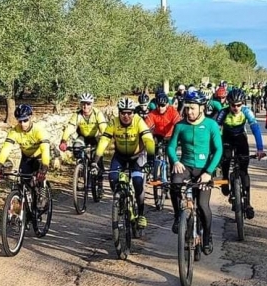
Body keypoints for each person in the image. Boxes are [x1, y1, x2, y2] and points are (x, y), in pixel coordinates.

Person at [167, 90, 223, 255]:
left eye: (192, 108)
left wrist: (208, 172)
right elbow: (170, 147)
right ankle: (178, 216)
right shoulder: (180, 125)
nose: (189, 112)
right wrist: (175, 161)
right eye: (187, 108)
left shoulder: (211, 125)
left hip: (204, 169)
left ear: (202, 108)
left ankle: (207, 237)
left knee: (203, 206)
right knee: (175, 183)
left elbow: (218, 150)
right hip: (185, 166)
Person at [94, 97, 155, 229]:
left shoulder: (139, 121)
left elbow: (149, 140)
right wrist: (95, 162)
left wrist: (150, 160)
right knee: (112, 178)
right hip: (120, 156)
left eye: (129, 113)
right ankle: (120, 200)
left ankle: (141, 214)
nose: (126, 116)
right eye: (123, 113)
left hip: (137, 157)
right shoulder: (114, 123)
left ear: (133, 113)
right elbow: (104, 141)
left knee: (138, 182)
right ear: (119, 113)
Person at [216, 88, 265, 219]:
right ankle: (225, 179)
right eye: (233, 105)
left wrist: (260, 148)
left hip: (240, 139)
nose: (236, 107)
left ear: (242, 103)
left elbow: (255, 128)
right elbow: (214, 131)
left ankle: (248, 203)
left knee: (244, 171)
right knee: (225, 159)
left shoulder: (246, 111)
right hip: (226, 139)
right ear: (229, 103)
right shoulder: (223, 112)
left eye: (239, 105)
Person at [0, 104, 50, 205]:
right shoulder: (14, 131)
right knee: (24, 183)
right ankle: (25, 211)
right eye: (20, 121)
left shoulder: (39, 130)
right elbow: (6, 148)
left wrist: (44, 167)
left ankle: (42, 193)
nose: (23, 124)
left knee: (39, 177)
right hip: (26, 158)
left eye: (25, 120)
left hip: (39, 158)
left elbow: (45, 150)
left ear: (30, 118)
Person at [59, 92, 107, 190]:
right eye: (83, 104)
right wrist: (64, 141)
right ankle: (82, 168)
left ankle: (100, 179)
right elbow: (70, 127)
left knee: (98, 154)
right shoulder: (77, 115)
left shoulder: (97, 113)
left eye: (88, 104)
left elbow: (103, 127)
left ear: (92, 104)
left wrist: (104, 137)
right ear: (80, 104)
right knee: (76, 147)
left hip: (95, 137)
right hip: (83, 137)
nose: (85, 106)